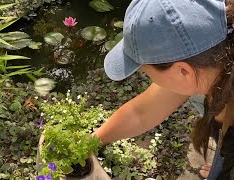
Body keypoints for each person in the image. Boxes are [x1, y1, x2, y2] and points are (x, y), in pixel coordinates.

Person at [94, 0, 234, 179]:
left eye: (146, 72)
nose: (147, 77)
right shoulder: (211, 60)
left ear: (183, 71)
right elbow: (141, 113)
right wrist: (92, 142)